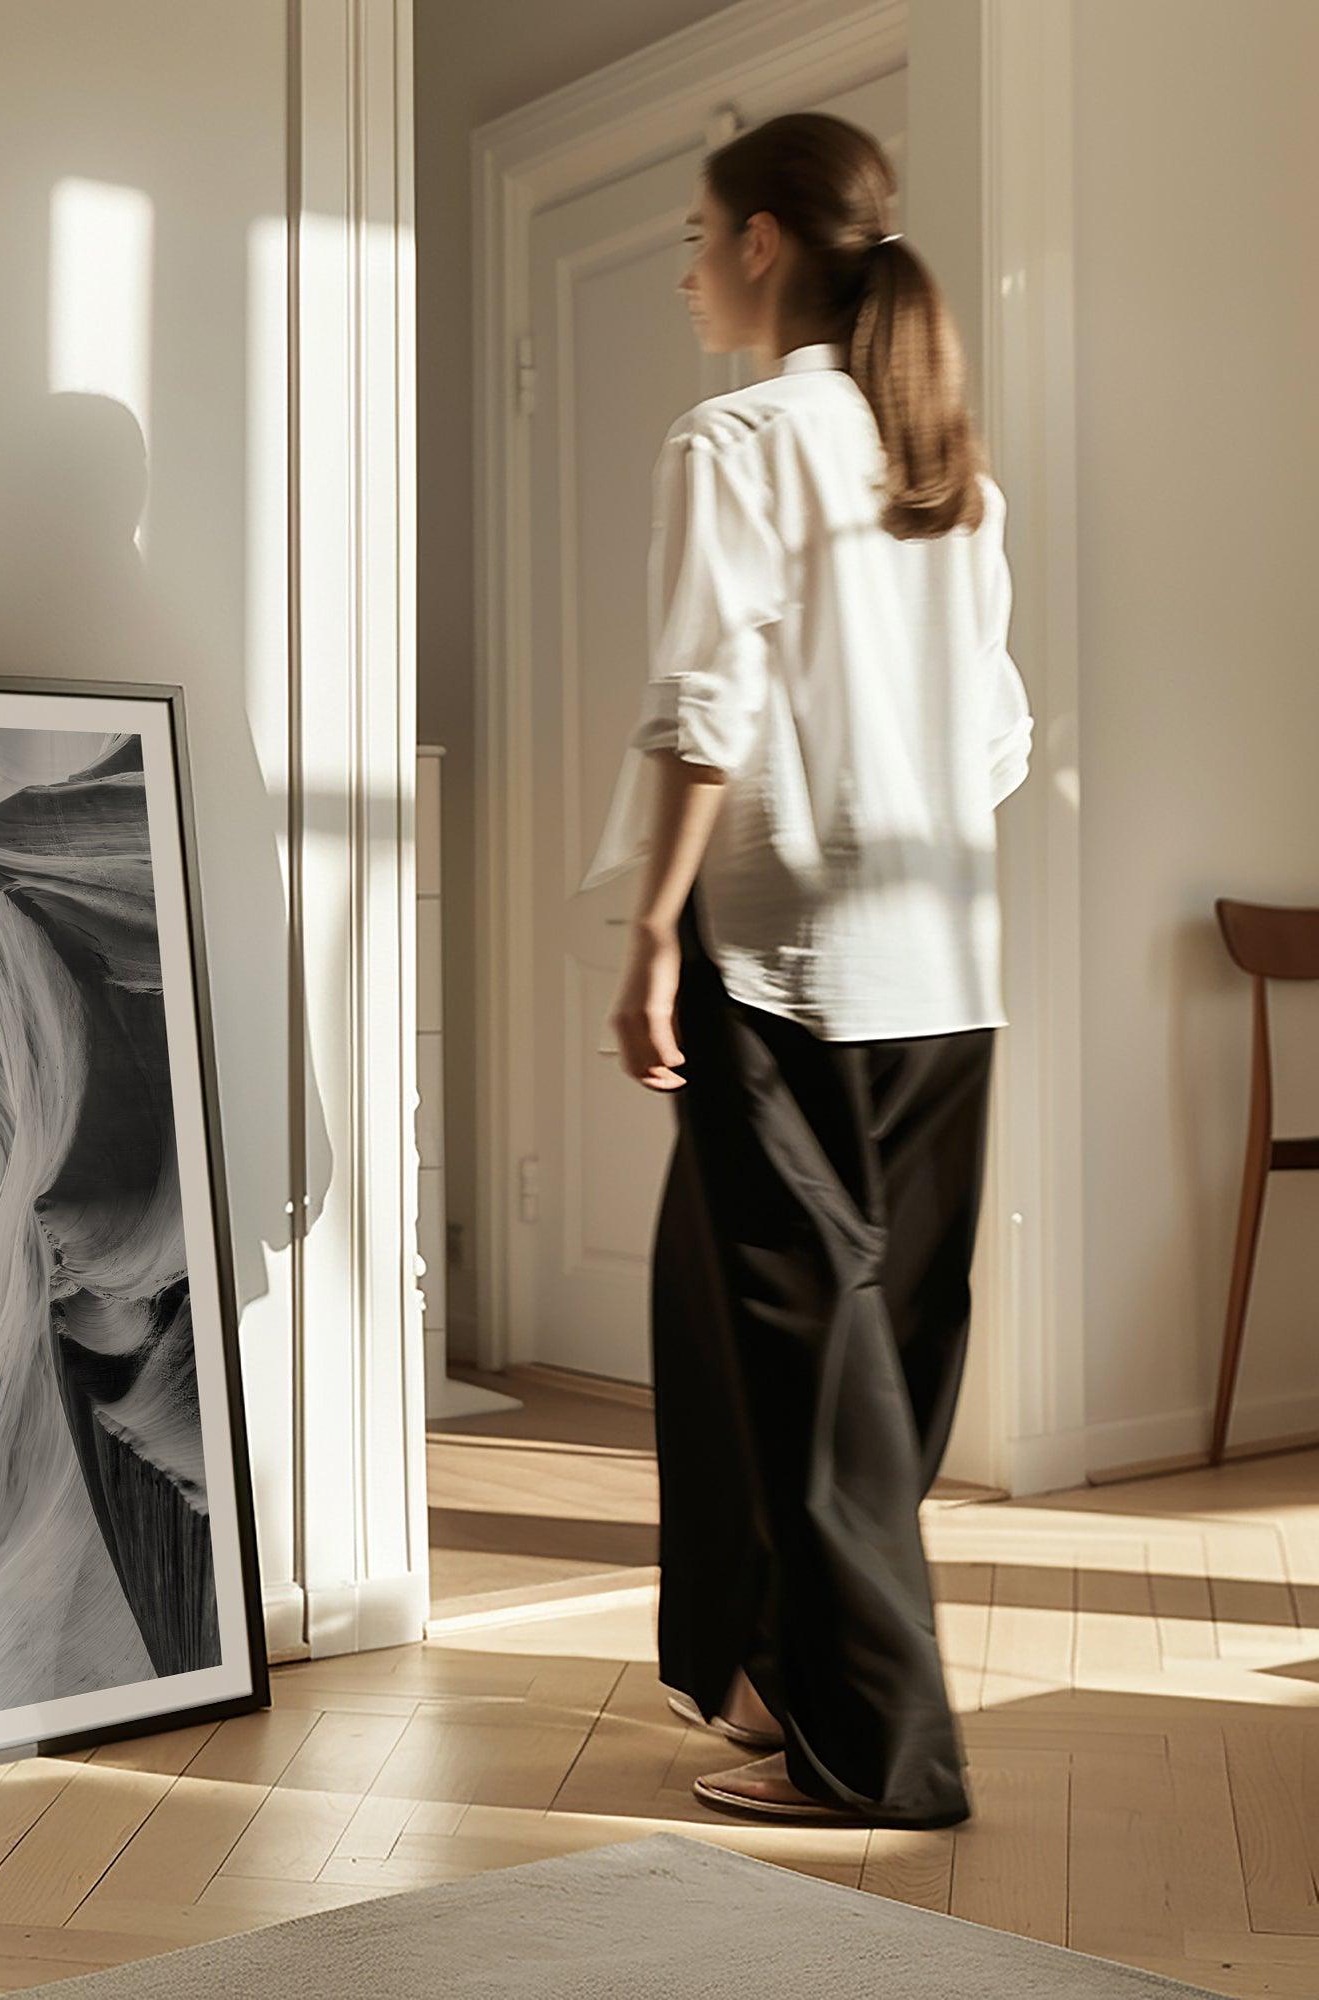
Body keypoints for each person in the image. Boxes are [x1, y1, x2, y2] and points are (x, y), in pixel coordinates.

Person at [578, 111, 1033, 1831]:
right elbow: (993, 740)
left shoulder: (736, 437)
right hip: (945, 970)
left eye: (699, 237)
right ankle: (788, 1675)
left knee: (806, 1364)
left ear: (767, 242)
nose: (689, 272)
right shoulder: (951, 470)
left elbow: (704, 710)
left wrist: (645, 936)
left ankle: (879, 1754)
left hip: (780, 966)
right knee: (870, 1359)